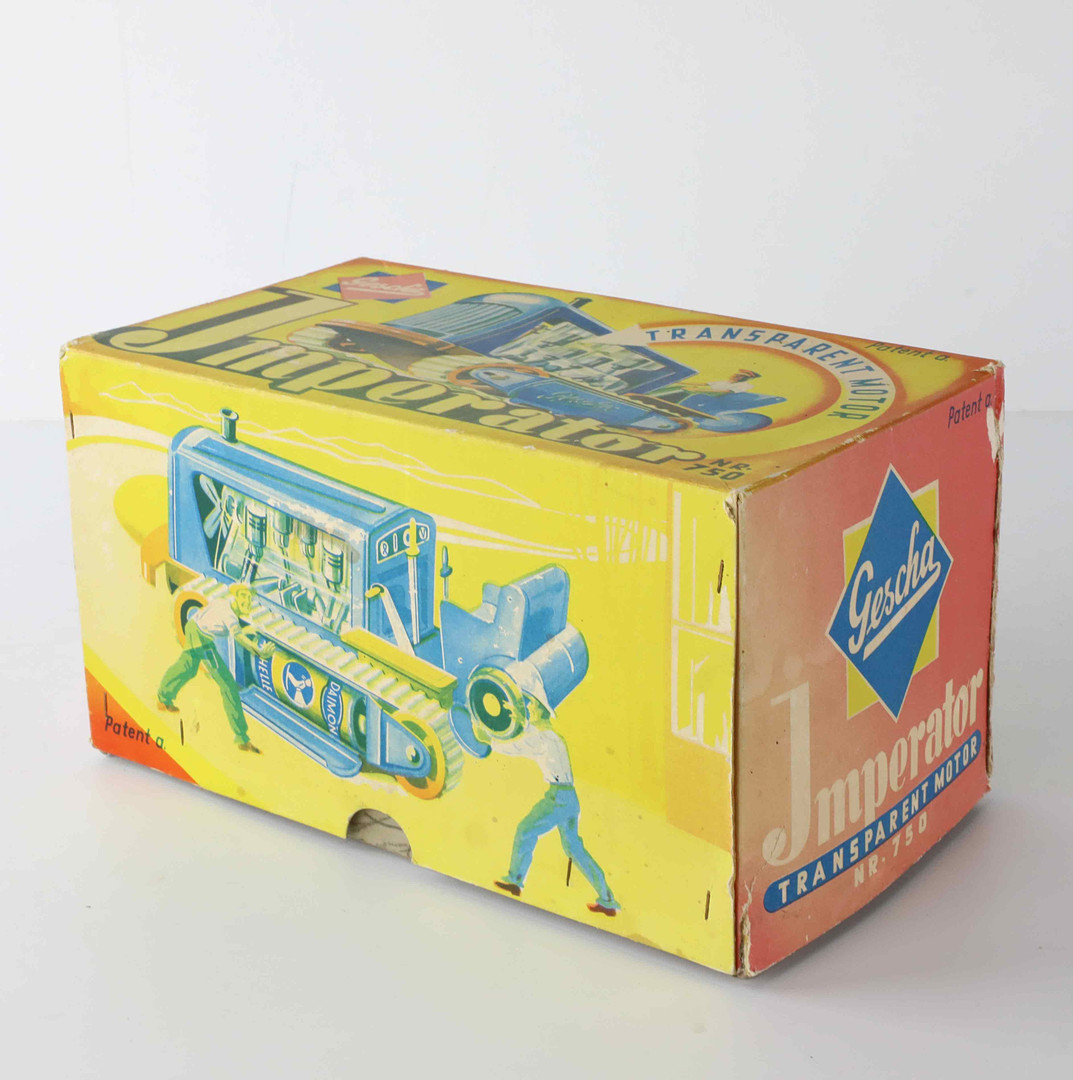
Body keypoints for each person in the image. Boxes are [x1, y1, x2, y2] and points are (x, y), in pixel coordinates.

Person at [493, 699, 619, 917]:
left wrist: (489, 743)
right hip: (570, 798)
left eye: (532, 707)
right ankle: (607, 900)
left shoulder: (542, 738)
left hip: (558, 797)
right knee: (574, 849)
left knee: (525, 830)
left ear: (539, 712)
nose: (529, 710)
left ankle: (515, 880)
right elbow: (528, 732)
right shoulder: (553, 736)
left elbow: (517, 746)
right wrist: (516, 716)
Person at [157, 583, 275, 753]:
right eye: (244, 596)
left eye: (249, 598)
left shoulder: (223, 603)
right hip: (200, 638)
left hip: (196, 630)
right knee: (227, 685)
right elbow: (237, 635)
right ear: (236, 596)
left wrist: (245, 630)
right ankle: (241, 738)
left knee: (188, 667)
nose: (247, 601)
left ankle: (163, 698)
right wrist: (259, 651)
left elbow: (227, 626)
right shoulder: (230, 616)